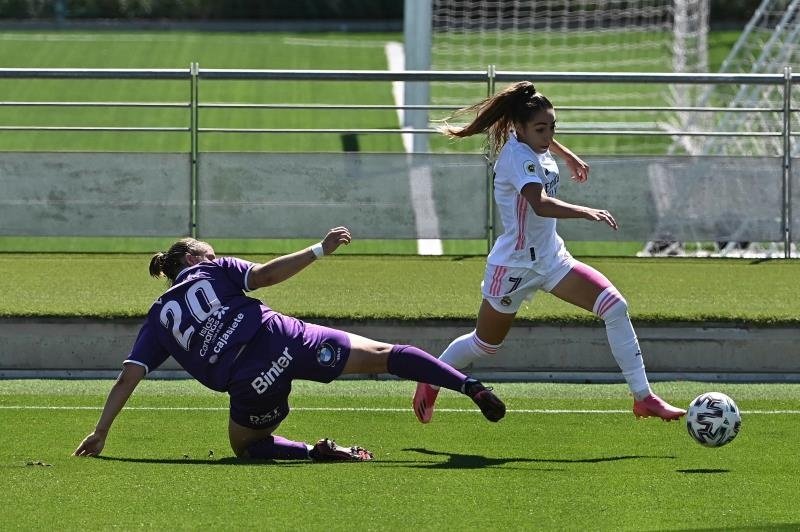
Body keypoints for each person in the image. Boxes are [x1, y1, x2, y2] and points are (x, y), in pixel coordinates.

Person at [74, 227, 505, 462]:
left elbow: (127, 376)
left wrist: (101, 431)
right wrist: (318, 249)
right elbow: (263, 277)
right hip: (283, 339)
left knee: (246, 447)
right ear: (192, 258)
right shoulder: (212, 268)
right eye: (208, 250)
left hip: (251, 382)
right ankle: (469, 386)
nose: (213, 253)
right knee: (385, 355)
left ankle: (314, 451)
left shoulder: (157, 319)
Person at [412, 81, 686, 424]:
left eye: (552, 127)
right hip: (513, 267)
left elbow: (542, 142)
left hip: (552, 259)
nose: (548, 134)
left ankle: (644, 397)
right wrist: (586, 211)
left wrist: (566, 154)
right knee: (484, 346)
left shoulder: (534, 142)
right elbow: (539, 204)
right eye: (541, 129)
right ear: (519, 128)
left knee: (615, 307)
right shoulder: (516, 157)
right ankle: (432, 377)